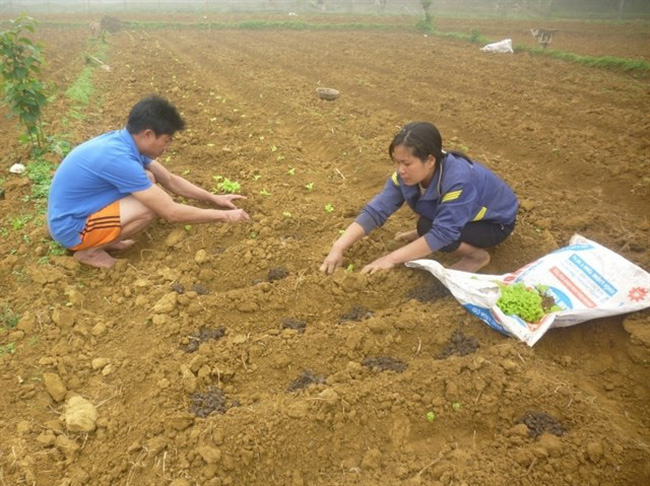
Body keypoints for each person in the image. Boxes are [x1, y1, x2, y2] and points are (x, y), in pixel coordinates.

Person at [47, 95, 250, 269]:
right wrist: (224, 216)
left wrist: (213, 198)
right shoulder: (118, 158)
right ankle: (89, 251)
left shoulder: (125, 142)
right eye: (167, 140)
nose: (167, 146)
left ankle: (104, 239)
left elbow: (169, 180)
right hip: (72, 227)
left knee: (149, 178)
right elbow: (170, 212)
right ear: (148, 134)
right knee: (148, 207)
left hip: (78, 212)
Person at [320, 121, 518, 275]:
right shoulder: (407, 177)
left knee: (428, 228)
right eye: (397, 163)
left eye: (407, 163)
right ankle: (424, 235)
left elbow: (443, 233)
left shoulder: (458, 181)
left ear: (430, 160)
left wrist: (390, 259)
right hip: (463, 215)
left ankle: (477, 257)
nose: (400, 170)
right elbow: (376, 210)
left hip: (493, 224)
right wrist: (339, 246)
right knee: (427, 227)